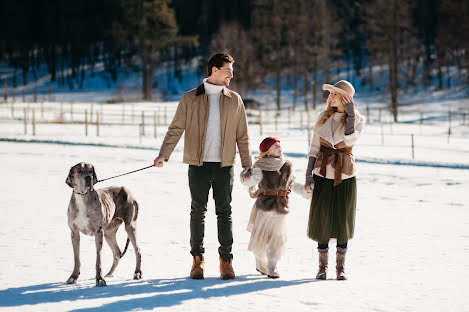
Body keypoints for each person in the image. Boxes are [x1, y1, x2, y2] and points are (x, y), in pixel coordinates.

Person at [153, 53, 252, 280]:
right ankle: (197, 261)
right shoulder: (190, 98)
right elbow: (176, 128)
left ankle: (226, 261)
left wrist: (247, 164)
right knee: (197, 212)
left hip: (224, 165)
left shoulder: (234, 100)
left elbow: (243, 136)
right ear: (214, 70)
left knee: (224, 213)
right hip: (197, 165)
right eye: (228, 70)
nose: (231, 75)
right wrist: (163, 154)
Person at [304, 80, 365, 280]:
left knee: (342, 219)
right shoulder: (323, 117)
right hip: (322, 174)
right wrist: (308, 174)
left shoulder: (357, 119)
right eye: (330, 94)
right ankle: (322, 267)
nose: (331, 97)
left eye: (335, 94)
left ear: (346, 98)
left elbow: (349, 141)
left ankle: (341, 268)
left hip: (345, 175)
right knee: (322, 218)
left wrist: (349, 114)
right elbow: (314, 148)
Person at [241, 137, 310, 278]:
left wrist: (307, 191)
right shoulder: (260, 166)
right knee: (260, 240)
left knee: (277, 240)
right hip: (264, 207)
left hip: (281, 208)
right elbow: (250, 182)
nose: (280, 148)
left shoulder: (287, 166)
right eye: (276, 146)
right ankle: (261, 263)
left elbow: (293, 184)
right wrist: (246, 178)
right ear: (267, 151)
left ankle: (272, 267)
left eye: (280, 145)